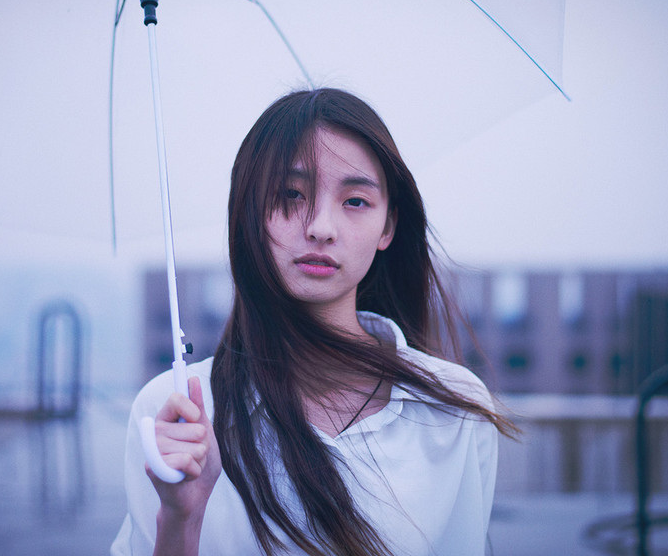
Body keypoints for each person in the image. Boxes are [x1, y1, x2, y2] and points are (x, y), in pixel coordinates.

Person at [111, 88, 513, 556]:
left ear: (388, 227)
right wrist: (180, 518)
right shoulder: (175, 414)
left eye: (356, 201)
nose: (321, 226)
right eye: (291, 194)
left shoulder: (455, 410)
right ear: (249, 214)